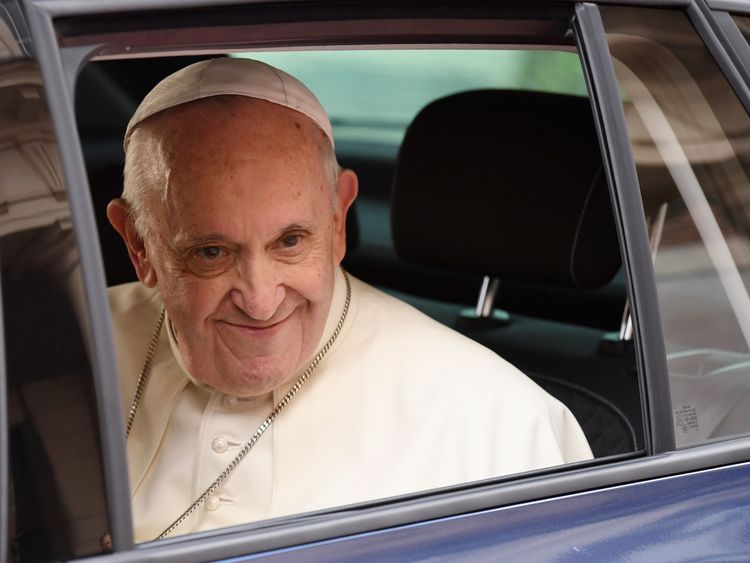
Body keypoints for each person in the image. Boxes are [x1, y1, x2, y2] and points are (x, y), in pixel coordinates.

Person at [107, 57, 592, 543]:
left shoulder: (498, 421)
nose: (259, 300)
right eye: (211, 252)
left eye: (291, 242)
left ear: (338, 219)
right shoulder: (66, 347)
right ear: (138, 244)